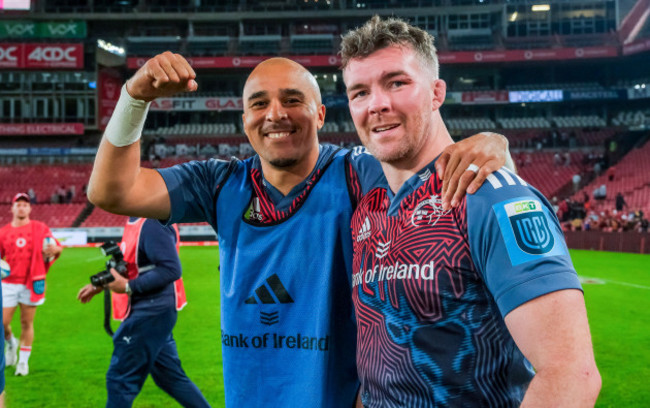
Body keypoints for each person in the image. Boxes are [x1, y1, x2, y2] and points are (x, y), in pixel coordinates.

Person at [86, 50, 512, 406]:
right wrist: (133, 98)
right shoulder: (219, 183)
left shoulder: (361, 172)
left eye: (293, 99)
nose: (275, 114)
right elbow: (111, 191)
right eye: (258, 103)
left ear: (321, 113)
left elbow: (444, 166)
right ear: (244, 119)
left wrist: (496, 144)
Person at [340, 16, 601, 407]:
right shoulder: (367, 204)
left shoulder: (495, 199)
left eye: (397, 82)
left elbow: (571, 374)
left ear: (436, 92)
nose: (377, 104)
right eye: (359, 92)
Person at [77, 217, 210, 408]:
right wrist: (103, 282)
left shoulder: (152, 223)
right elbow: (132, 266)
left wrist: (129, 286)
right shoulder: (137, 221)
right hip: (153, 312)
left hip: (150, 312)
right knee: (171, 378)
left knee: (119, 381)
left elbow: (171, 269)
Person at [1, 192, 62, 376]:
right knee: (3, 323)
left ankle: (23, 362)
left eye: (25, 204)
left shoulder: (40, 228)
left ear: (30, 208)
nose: (21, 207)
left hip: (31, 282)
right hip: (8, 284)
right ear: (12, 208)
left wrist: (55, 249)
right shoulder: (3, 232)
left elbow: (57, 247)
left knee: (27, 322)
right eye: (18, 204)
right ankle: (11, 343)